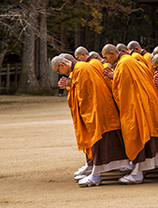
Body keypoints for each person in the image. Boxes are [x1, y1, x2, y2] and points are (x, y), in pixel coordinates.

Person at [52, 55, 129, 187]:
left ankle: (96, 175)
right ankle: (96, 171)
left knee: (99, 141)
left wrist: (71, 85)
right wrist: (71, 84)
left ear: (62, 65)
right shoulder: (79, 69)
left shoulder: (81, 69)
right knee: (102, 141)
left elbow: (84, 93)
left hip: (97, 110)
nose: (60, 74)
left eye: (58, 71)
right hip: (98, 108)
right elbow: (82, 88)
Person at [102, 43, 158, 184]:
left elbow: (124, 89)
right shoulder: (130, 61)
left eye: (106, 57)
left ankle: (139, 172)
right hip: (145, 102)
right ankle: (140, 168)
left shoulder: (125, 64)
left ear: (113, 53)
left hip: (137, 105)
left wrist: (114, 78)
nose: (106, 61)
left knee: (137, 135)